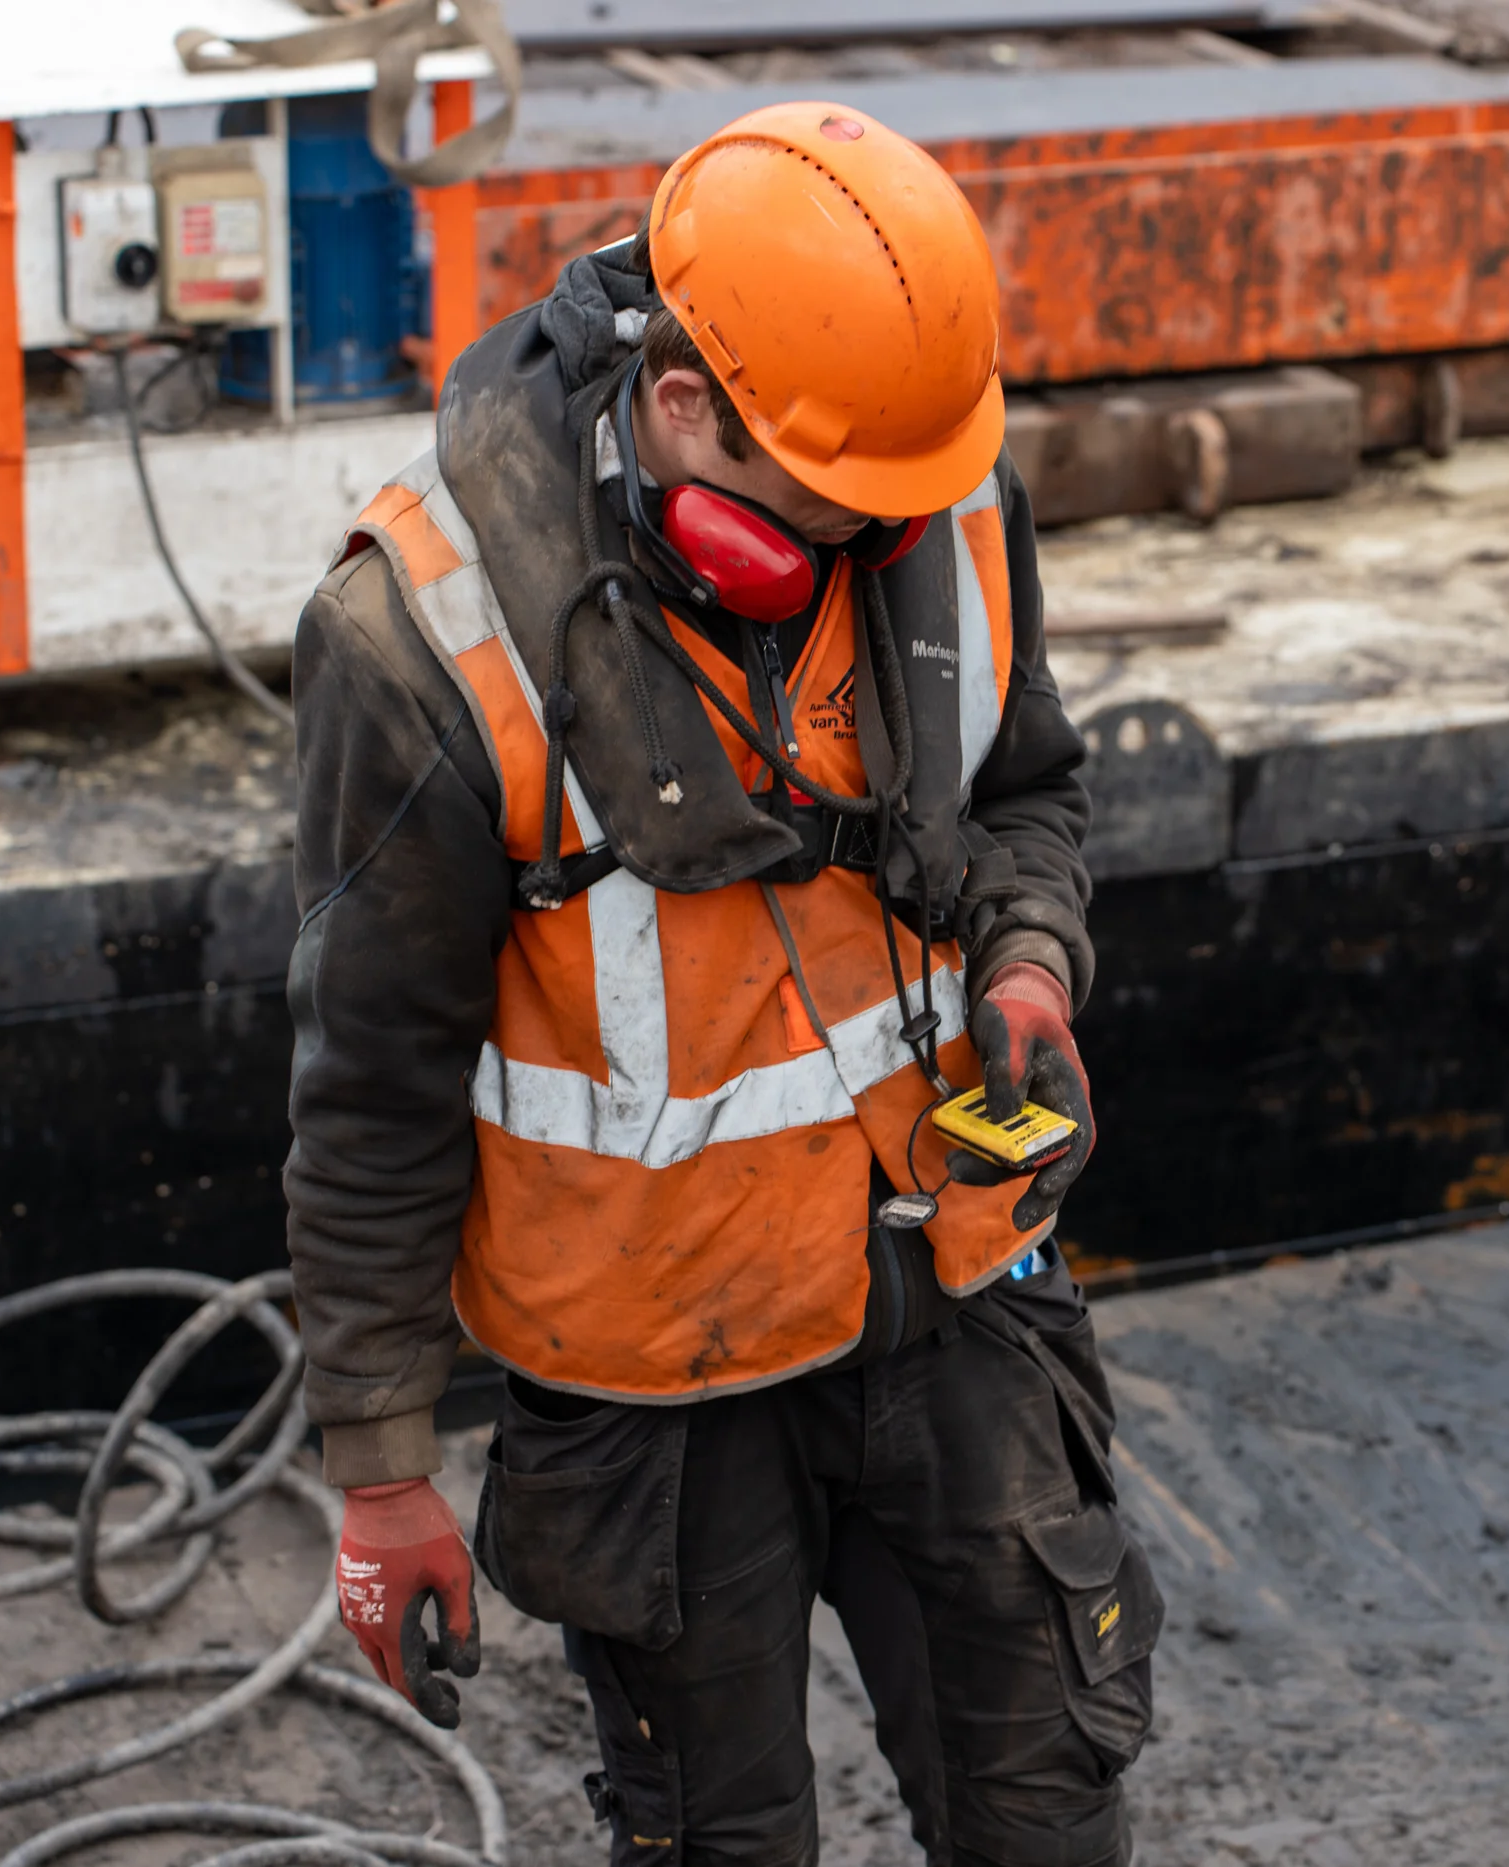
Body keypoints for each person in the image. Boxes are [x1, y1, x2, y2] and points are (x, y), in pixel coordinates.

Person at [283, 101, 1158, 1867]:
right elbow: (369, 1079)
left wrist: (1029, 961)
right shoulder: (426, 637)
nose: (877, 536)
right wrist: (380, 1465)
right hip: (653, 1372)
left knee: (1048, 1815)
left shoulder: (923, 489)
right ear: (683, 407)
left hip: (947, 1282)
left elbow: (1026, 790)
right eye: (831, 507)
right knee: (717, 1842)